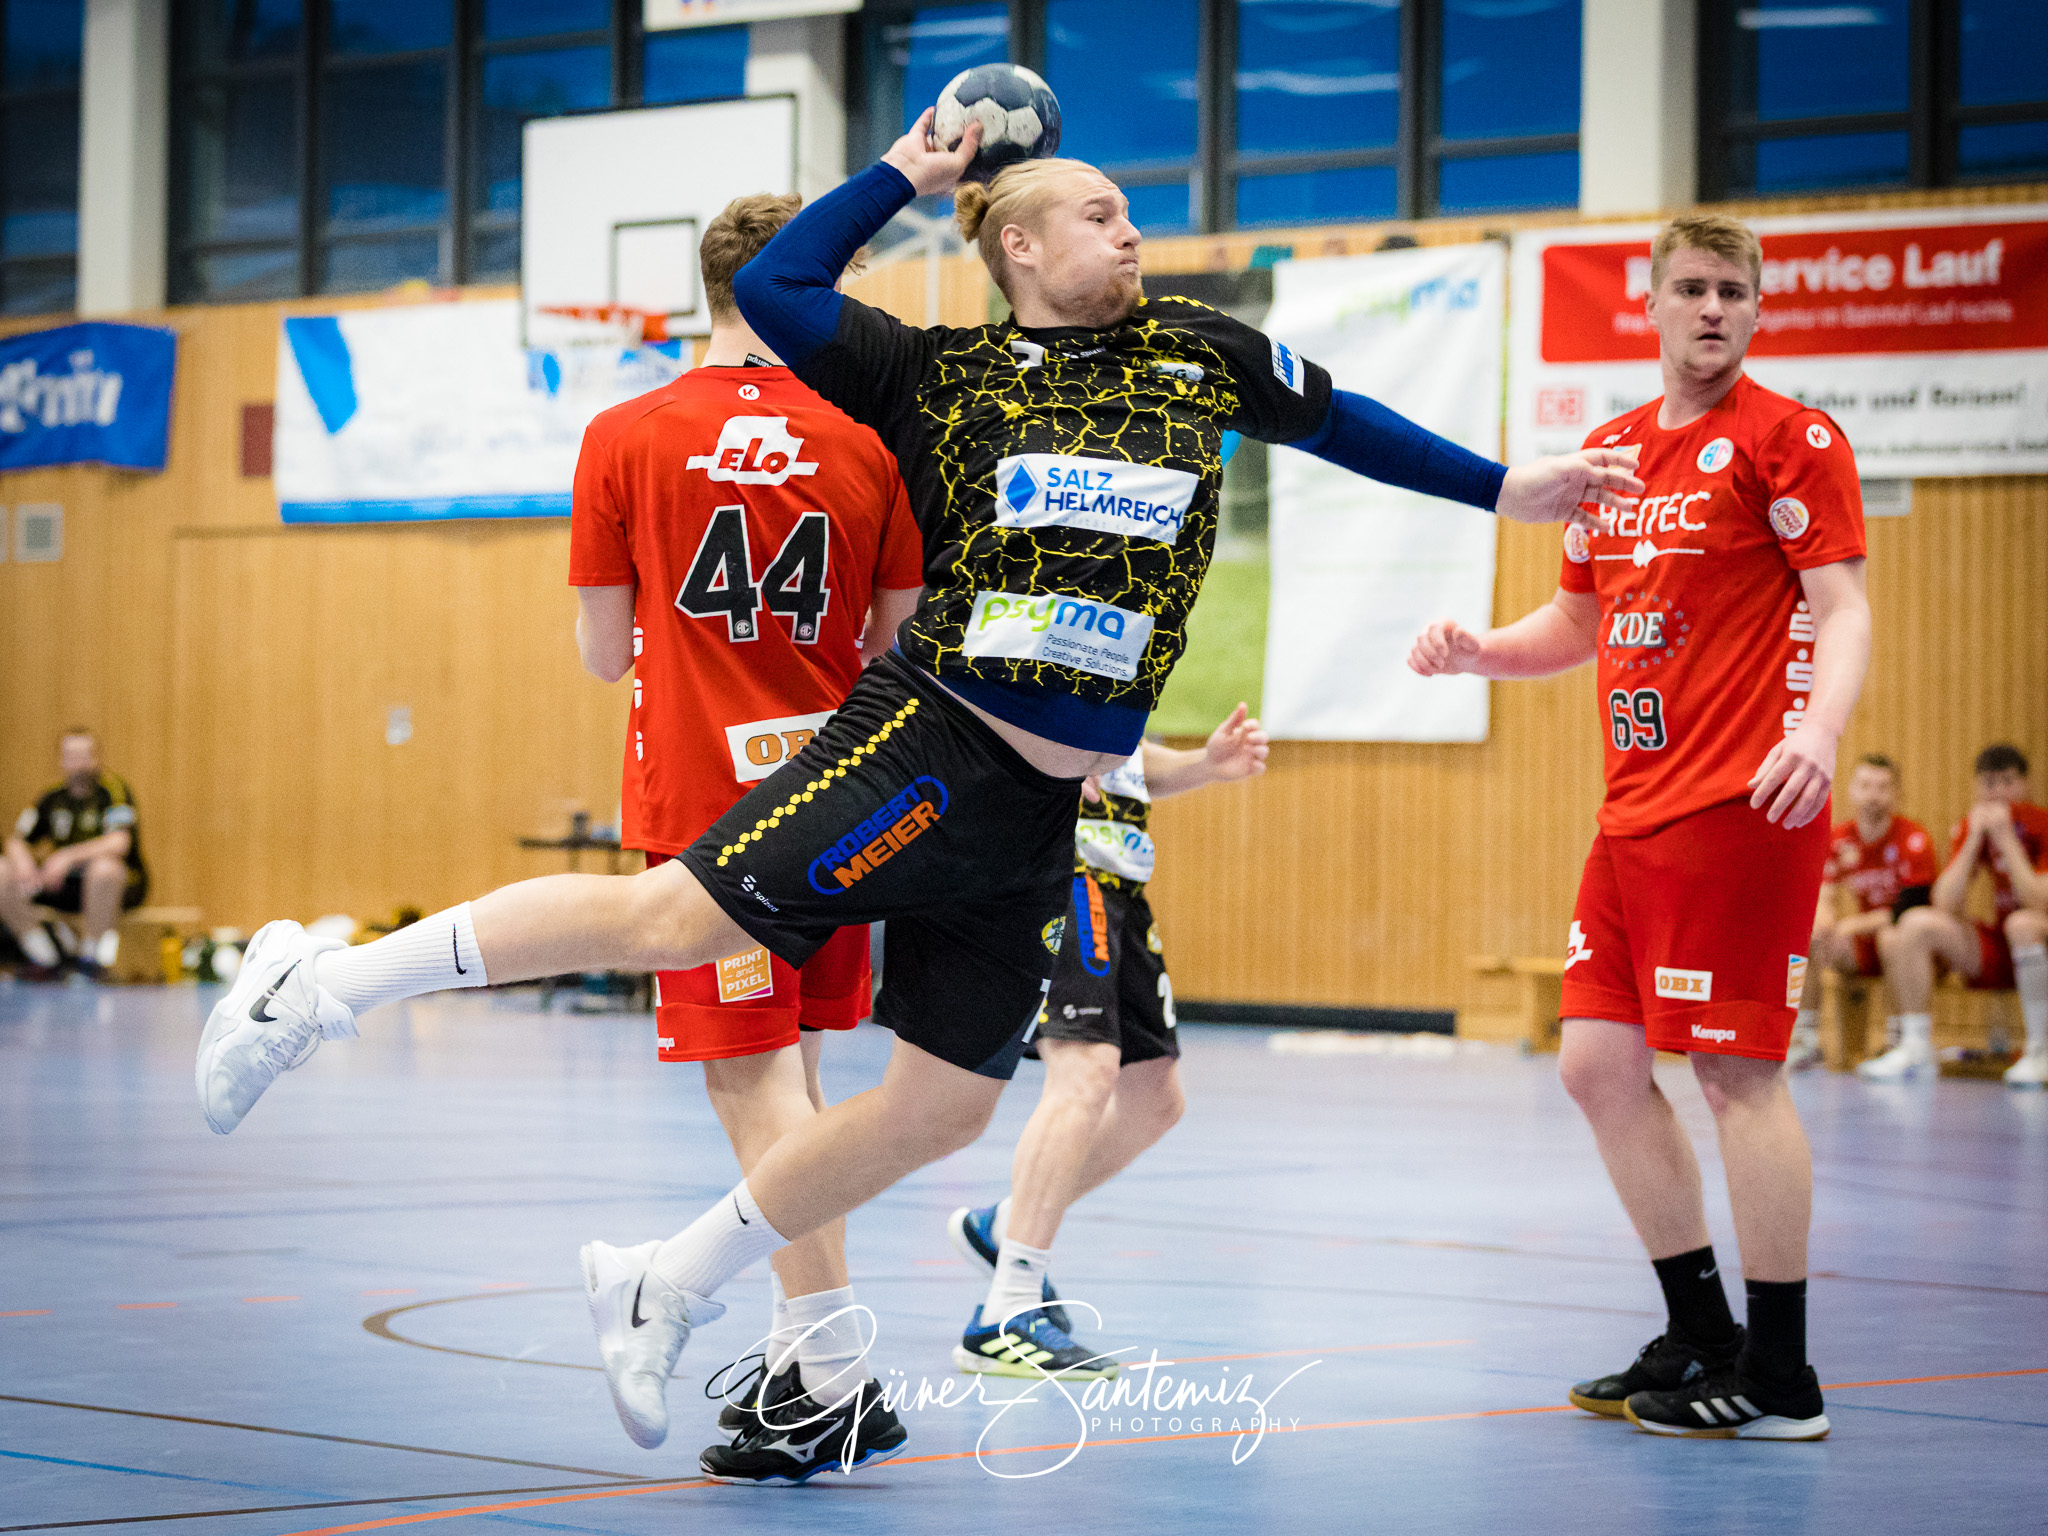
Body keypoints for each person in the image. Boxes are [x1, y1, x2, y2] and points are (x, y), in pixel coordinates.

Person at [196, 114, 1641, 1460]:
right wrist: (906, 163)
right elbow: (775, 280)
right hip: (934, 737)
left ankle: (663, 1280)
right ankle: (314, 989)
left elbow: (1349, 426)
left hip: (1042, 810)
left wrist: (1509, 489)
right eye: (1100, 213)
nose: (1130, 233)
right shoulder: (932, 375)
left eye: (1133, 214)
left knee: (947, 1106)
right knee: (670, 922)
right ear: (1016, 243)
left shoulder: (1200, 350)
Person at [1409, 211, 1870, 1440]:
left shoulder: (1788, 440)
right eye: (1689, 289)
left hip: (1742, 805)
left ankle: (1779, 1377)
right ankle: (1698, 1332)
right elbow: (1570, 629)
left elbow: (1844, 605)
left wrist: (1815, 735)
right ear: (1650, 303)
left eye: (1731, 291)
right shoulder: (1608, 456)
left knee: (1733, 1072)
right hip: (1629, 814)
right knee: (1596, 1065)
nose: (1710, 308)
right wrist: (1474, 653)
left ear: (1756, 309)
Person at [567, 192, 924, 1481]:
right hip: (839, 800)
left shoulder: (624, 433)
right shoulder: (877, 438)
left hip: (705, 812)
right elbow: (895, 646)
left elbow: (606, 655)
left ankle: (831, 1378)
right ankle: (798, 1365)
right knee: (803, 1082)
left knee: (754, 1082)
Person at [949, 704, 1267, 1380]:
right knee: (1087, 1069)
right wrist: (1049, 750)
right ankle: (1008, 1309)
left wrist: (1203, 766)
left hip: (1120, 881)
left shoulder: (1128, 639)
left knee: (1155, 1098)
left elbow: (1120, 757)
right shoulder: (1042, 619)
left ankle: (1005, 1226)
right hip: (1054, 871)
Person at [1863, 744, 2048, 1086]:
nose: (1998, 792)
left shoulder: (2042, 824)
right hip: (2005, 945)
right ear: (1978, 787)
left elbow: (2040, 903)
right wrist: (1974, 839)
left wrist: (2007, 840)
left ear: (2026, 784)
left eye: (2008, 781)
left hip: (2037, 937)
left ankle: (2041, 1051)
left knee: (2022, 923)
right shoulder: (1972, 827)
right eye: (1989, 783)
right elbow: (1945, 904)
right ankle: (1916, 1046)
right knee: (1916, 923)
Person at [1785, 754, 1936, 1070]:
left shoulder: (1914, 838)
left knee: (1893, 937)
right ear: (1852, 790)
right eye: (1865, 786)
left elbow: (1910, 908)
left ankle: (1899, 1042)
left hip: (1910, 945)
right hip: (1863, 946)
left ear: (1896, 793)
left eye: (1882, 787)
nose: (1873, 796)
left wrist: (1852, 925)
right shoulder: (1839, 838)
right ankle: (1806, 1039)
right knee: (1812, 935)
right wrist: (1824, 923)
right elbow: (1823, 895)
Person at [3, 729, 148, 980]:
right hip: (63, 886)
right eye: (71, 756)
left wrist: (67, 856)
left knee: (105, 868)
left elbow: (120, 842)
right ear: (61, 760)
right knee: (2, 870)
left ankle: (92, 960)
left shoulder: (113, 792)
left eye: (84, 756)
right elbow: (16, 840)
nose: (78, 764)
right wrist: (23, 861)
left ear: (97, 759)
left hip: (114, 886)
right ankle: (44, 957)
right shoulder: (52, 797)